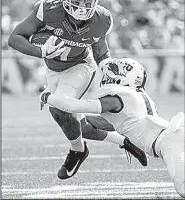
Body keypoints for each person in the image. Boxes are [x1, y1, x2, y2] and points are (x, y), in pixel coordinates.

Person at [8, 0, 146, 180]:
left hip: (81, 65)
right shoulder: (48, 9)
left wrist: (108, 66)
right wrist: (41, 51)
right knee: (78, 126)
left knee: (59, 105)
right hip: (53, 69)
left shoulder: (101, 18)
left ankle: (77, 150)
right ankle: (121, 140)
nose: (82, 6)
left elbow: (100, 49)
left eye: (87, 0)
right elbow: (15, 37)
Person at [40, 58, 185, 198]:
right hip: (172, 140)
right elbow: (107, 124)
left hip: (170, 144)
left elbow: (72, 106)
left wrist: (47, 96)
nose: (108, 76)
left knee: (182, 187)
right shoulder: (136, 98)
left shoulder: (117, 99)